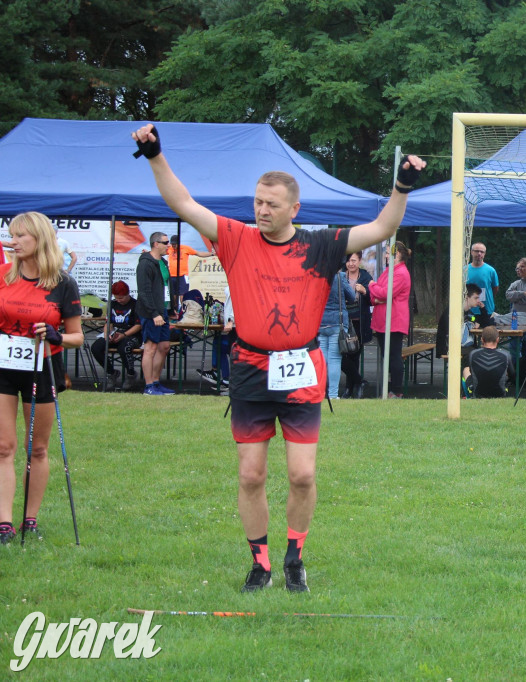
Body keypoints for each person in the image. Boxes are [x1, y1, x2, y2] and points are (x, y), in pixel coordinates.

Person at [131, 122, 424, 592]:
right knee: (251, 474)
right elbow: (182, 203)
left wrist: (401, 187)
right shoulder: (236, 239)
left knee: (302, 474)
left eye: (271, 204)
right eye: (257, 202)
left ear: (294, 208)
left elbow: (383, 227)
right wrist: (155, 156)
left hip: (301, 368)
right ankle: (260, 563)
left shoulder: (320, 245)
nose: (261, 210)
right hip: (250, 367)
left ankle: (294, 558)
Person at [0, 212, 84, 544]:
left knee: (37, 448)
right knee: (4, 447)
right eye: (12, 235)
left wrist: (56, 335)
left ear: (40, 240)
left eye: (21, 236)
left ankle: (29, 519)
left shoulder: (63, 283)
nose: (14, 241)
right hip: (4, 367)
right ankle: (4, 523)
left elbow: (77, 336)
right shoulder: (4, 275)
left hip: (42, 368)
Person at [368, 241, 412, 398]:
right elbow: (379, 295)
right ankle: (392, 389)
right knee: (388, 356)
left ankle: (397, 390)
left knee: (394, 355)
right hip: (383, 319)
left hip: (393, 320)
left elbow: (384, 293)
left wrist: (372, 286)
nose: (386, 256)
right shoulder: (389, 271)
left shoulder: (401, 273)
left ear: (397, 254)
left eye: (388, 253)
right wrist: (377, 294)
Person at [136, 231, 174, 395]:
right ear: (155, 244)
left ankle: (156, 382)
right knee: (150, 347)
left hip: (163, 310)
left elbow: (166, 287)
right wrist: (154, 313)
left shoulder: (163, 262)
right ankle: (149, 386)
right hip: (152, 312)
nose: (169, 245)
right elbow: (144, 292)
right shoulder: (145, 264)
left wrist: (170, 309)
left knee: (164, 346)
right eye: (165, 242)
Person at [316, 271, 356, 401]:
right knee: (335, 359)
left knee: (323, 360)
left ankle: (321, 393)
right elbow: (351, 296)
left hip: (321, 321)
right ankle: (333, 395)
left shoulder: (317, 274)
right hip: (337, 323)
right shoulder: (340, 276)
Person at [90, 280, 141, 381]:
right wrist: (107, 334)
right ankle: (111, 372)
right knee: (95, 347)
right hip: (115, 333)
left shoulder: (136, 305)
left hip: (132, 334)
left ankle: (131, 374)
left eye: (121, 298)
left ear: (127, 294)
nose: (118, 300)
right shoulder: (113, 304)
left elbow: (138, 325)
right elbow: (108, 323)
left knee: (124, 348)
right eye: (116, 297)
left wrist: (124, 335)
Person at [341, 251, 373, 398]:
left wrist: (365, 291)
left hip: (360, 322)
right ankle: (359, 382)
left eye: (354, 260)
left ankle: (349, 389)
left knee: (355, 355)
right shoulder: (340, 276)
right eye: (348, 261)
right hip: (344, 323)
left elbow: (373, 299)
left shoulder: (366, 277)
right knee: (343, 355)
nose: (351, 264)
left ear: (359, 260)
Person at [465, 325, 514, 398]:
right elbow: (512, 375)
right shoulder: (506, 355)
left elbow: (472, 372)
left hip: (478, 394)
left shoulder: (473, 354)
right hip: (500, 394)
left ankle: (469, 392)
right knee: (505, 370)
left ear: (482, 339)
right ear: (497, 339)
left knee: (466, 370)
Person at [167, 234, 213, 307]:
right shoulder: (169, 249)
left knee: (183, 295)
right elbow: (159, 252)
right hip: (172, 276)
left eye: (175, 244)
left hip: (183, 276)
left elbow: (199, 253)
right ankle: (174, 312)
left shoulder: (185, 248)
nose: (173, 246)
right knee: (173, 296)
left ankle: (183, 311)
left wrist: (212, 254)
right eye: (172, 244)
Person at [466, 242, 499, 326]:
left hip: (486, 311)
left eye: (482, 252)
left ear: (484, 254)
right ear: (471, 252)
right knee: (471, 333)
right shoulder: (464, 270)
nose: (479, 253)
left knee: (487, 334)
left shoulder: (491, 270)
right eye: (476, 251)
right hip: (471, 312)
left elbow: (495, 288)